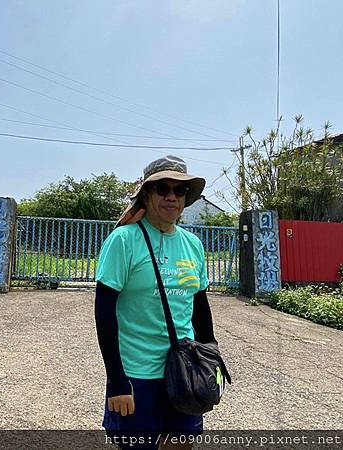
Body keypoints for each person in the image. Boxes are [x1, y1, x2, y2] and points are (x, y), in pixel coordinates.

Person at [94, 155, 218, 450]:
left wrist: (211, 355)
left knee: (180, 445)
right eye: (162, 188)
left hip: (184, 369)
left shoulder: (193, 244)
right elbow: (104, 311)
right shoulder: (124, 240)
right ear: (147, 194)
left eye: (179, 190)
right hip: (137, 374)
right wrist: (116, 380)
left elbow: (199, 304)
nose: (171, 196)